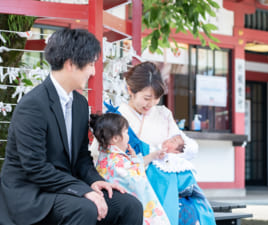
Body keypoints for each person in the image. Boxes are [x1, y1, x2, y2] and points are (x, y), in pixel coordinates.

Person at [0, 28, 143, 225]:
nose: (93, 71)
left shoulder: (79, 104)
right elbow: (35, 167)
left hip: (64, 188)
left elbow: (81, 158)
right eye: (91, 64)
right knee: (84, 208)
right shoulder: (32, 105)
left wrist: (94, 181)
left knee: (129, 205)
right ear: (71, 64)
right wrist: (83, 190)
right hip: (32, 195)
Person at [103, 61, 216, 225]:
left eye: (156, 98)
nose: (151, 104)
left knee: (194, 206)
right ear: (130, 90)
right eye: (147, 98)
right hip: (130, 178)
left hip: (166, 179)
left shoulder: (163, 114)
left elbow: (184, 144)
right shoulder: (116, 116)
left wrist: (171, 152)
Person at [90, 113, 170, 225]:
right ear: (116, 138)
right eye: (126, 132)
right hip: (127, 209)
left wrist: (134, 160)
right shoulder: (118, 161)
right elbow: (138, 183)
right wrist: (135, 162)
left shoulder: (105, 155)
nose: (128, 136)